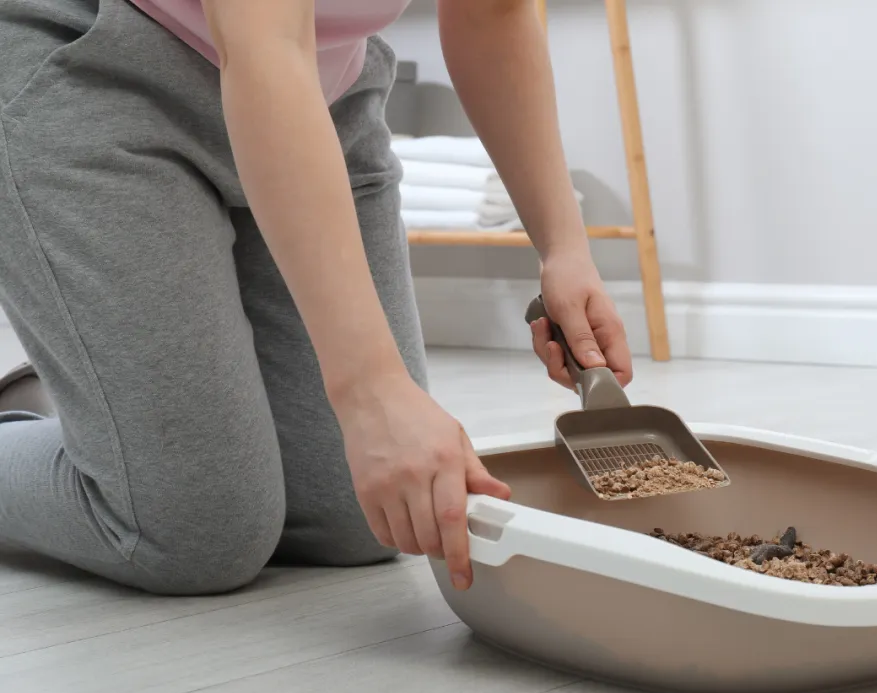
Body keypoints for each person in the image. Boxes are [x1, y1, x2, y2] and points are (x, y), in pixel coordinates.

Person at [0, 0, 633, 595]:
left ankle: (110, 409)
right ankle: (112, 417)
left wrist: (563, 249)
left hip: (325, 92)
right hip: (94, 70)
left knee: (362, 520)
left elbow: (493, 12)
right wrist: (371, 392)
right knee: (195, 532)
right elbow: (263, 46)